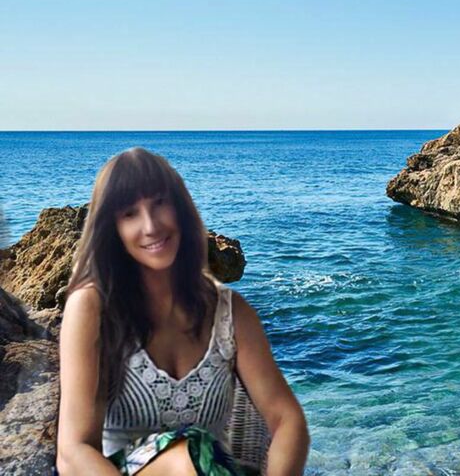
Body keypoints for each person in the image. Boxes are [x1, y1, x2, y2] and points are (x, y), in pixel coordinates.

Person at [56, 147, 310, 475]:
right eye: (130, 213)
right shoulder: (92, 307)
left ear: (181, 209)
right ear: (111, 229)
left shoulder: (230, 314)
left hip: (210, 469)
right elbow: (72, 451)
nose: (150, 226)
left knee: (198, 453)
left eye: (159, 203)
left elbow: (287, 420)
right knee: (190, 449)